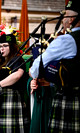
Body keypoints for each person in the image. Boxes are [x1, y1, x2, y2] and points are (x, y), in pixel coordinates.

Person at [29, 0, 80, 132]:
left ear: (71, 20)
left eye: (65, 16)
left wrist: (33, 73)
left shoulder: (67, 39)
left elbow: (36, 68)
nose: (62, 20)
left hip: (70, 97)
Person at [0, 34, 29, 133]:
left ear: (12, 46)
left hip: (12, 99)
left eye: (5, 46)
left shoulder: (17, 60)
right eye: (1, 46)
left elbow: (17, 75)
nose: (2, 49)